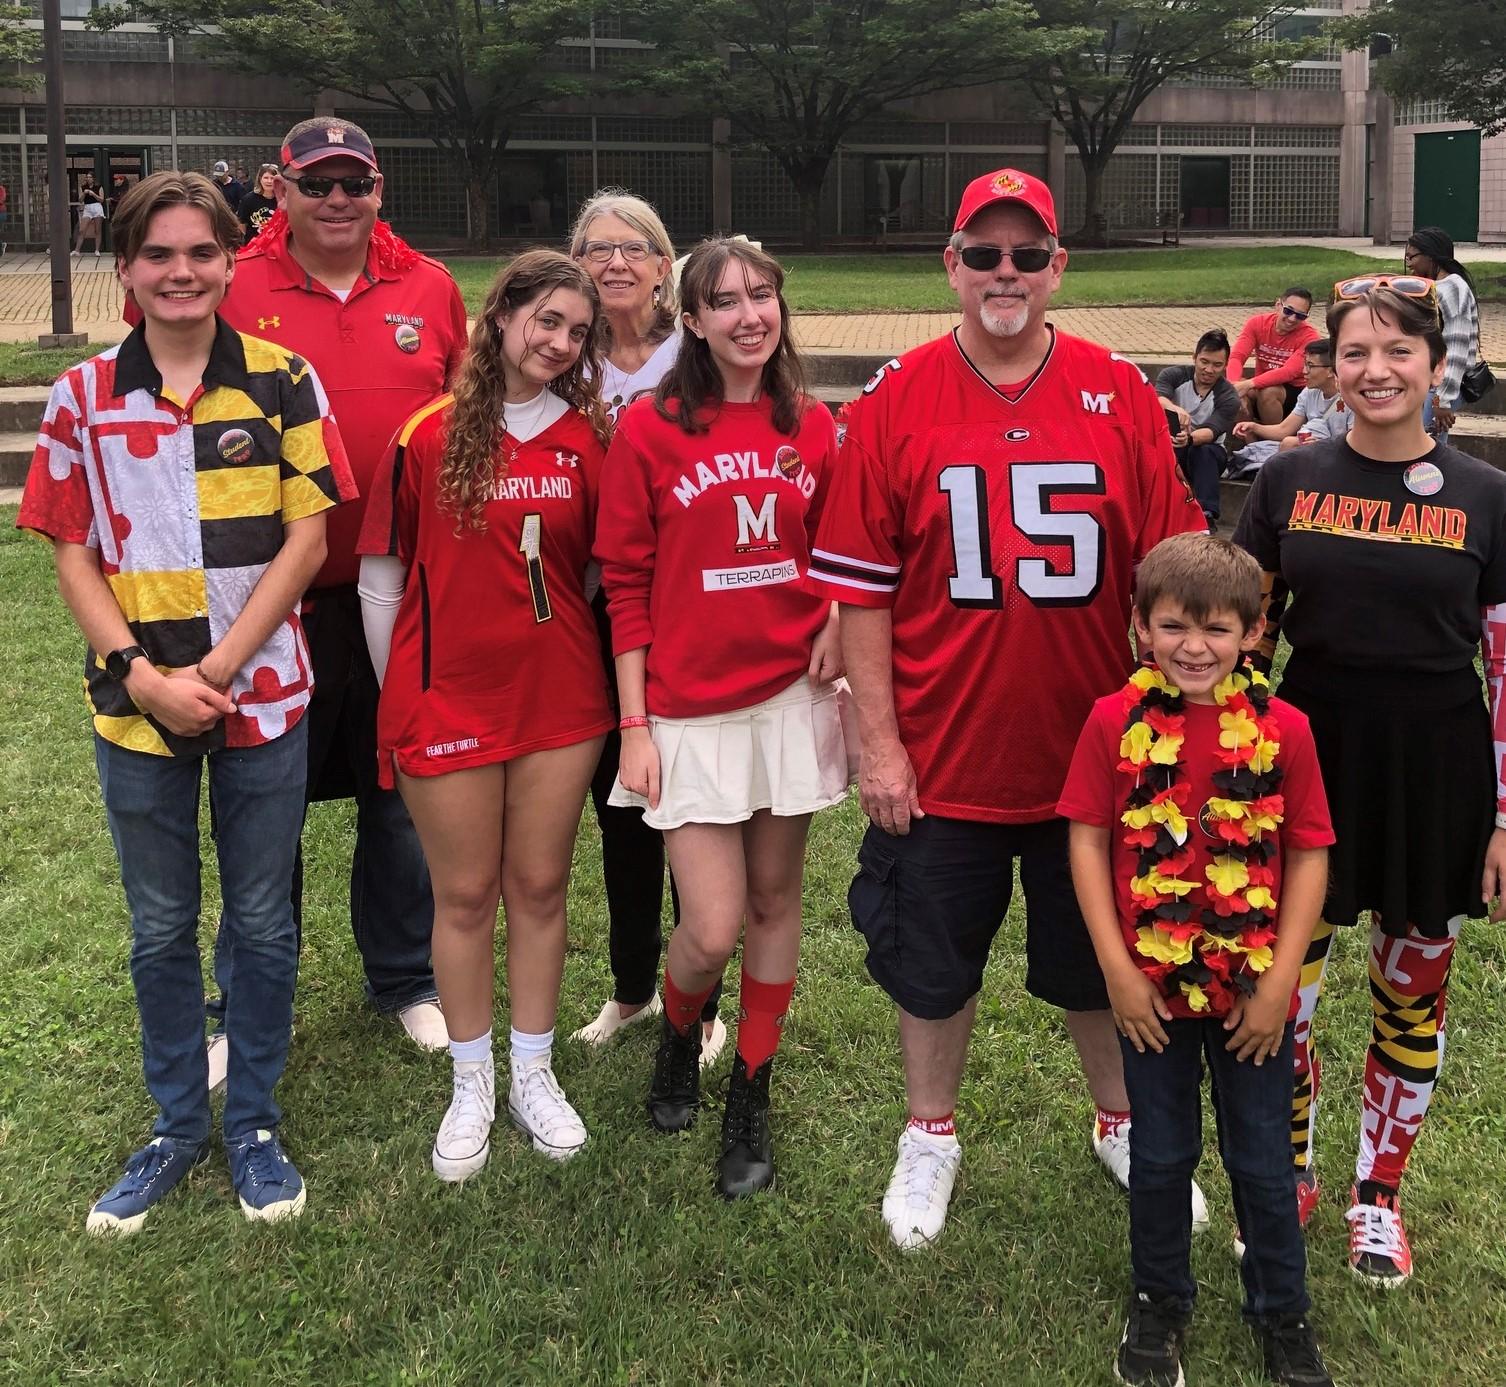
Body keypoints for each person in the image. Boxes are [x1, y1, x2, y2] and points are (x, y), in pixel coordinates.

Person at [805, 167, 1207, 1251]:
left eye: (1028, 254)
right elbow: (862, 594)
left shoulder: (1118, 393)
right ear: (952, 264)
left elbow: (1172, 578)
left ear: (1057, 267)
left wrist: (1174, 733)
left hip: (1094, 760)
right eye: (984, 253)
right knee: (933, 967)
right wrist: (880, 746)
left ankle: (1119, 1118)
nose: (1006, 273)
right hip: (945, 756)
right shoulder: (897, 397)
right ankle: (930, 1131)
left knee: (1102, 958)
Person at [16, 171, 354, 1234]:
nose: (181, 272)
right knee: (160, 927)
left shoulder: (285, 379)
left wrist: (221, 669)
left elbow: (311, 535)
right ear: (127, 270)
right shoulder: (80, 397)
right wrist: (144, 677)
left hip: (265, 700)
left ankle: (251, 1120)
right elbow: (70, 550)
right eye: (158, 255)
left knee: (261, 920)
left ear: (228, 261)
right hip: (135, 711)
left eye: (200, 253)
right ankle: (176, 1123)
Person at [1234, 275, 1506, 1288]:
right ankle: (1289, 1172)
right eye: (1355, 352)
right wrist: (1233, 782)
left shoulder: (1485, 495)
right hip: (1309, 757)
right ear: (1328, 365)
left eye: (1400, 352)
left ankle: (1377, 1197)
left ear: (1438, 367)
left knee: (1410, 995)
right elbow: (1242, 642)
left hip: (1436, 767)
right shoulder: (1289, 480)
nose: (1376, 371)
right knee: (1283, 994)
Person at [213, 115, 470, 1078]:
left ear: (377, 191)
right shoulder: (233, 283)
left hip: (398, 591)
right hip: (270, 592)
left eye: (352, 183)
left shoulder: (430, 287)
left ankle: (404, 977)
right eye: (315, 182)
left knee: (397, 795)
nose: (335, 200)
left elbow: (466, 409)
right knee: (259, 803)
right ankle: (244, 998)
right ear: (277, 189)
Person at [595, 238, 849, 1199]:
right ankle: (678, 1028)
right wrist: (634, 722)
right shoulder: (653, 432)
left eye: (763, 295)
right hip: (688, 709)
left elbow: (840, 552)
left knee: (776, 905)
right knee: (708, 924)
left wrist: (828, 616)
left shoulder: (812, 427)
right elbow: (624, 582)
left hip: (789, 699)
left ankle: (751, 1085)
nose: (749, 314)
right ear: (690, 320)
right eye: (724, 300)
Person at [357, 252, 614, 1179]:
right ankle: (471, 1077)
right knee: (463, 895)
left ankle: (532, 1071)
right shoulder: (427, 434)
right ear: (501, 315)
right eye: (545, 320)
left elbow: (590, 571)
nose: (559, 342)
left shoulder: (590, 438)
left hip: (561, 702)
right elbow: (382, 576)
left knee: (540, 887)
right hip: (446, 700)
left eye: (578, 332)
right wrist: (411, 689)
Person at [1059, 533, 1334, 1387]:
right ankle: (1159, 1301)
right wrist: (1117, 971)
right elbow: (1087, 838)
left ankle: (1283, 1312)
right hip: (1151, 992)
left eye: (1216, 628)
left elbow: (1310, 854)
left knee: (1262, 1155)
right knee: (1163, 1154)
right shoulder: (1115, 722)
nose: (1194, 646)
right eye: (1173, 624)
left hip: (1254, 993)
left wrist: (1281, 980)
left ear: (1254, 632)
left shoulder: (1285, 729)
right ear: (1141, 626)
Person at [565, 188, 727, 1065]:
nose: (616, 262)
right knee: (621, 802)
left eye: (634, 247)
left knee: (697, 799)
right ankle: (632, 987)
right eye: (597, 249)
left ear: (666, 267)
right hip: (593, 603)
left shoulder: (694, 351)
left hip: (692, 604)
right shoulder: (563, 356)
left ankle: (701, 1004)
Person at [1156, 328, 1241, 524]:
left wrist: (1189, 438)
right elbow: (1157, 398)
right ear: (1194, 357)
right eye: (1204, 362)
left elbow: (1213, 430)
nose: (1209, 370)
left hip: (1208, 454)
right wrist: (1174, 409)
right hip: (1171, 445)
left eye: (1217, 365)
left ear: (1226, 365)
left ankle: (1206, 515)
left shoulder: (1228, 396)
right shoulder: (1173, 375)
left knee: (1204, 451)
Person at [1404, 226, 1482, 440]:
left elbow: (1456, 347)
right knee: (1425, 447)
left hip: (1441, 386)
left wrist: (1443, 399)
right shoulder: (1436, 287)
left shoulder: (1452, 288)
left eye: (1412, 257)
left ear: (1430, 255)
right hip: (1430, 382)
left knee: (1423, 448)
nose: (1408, 263)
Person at [1230, 339, 1351, 463]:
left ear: (1331, 371)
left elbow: (1359, 444)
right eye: (1304, 364)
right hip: (1312, 456)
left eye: (1311, 366)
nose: (1304, 371)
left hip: (1339, 459)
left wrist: (1323, 446)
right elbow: (1284, 429)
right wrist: (1254, 427)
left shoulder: (1353, 400)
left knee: (1289, 444)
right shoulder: (1309, 392)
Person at [1228, 289, 1319, 425]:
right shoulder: (1257, 324)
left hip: (1294, 394)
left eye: (1300, 316)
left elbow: (1289, 372)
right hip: (1262, 385)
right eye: (1288, 311)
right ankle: (1250, 443)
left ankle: (1271, 442)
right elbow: (1237, 357)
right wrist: (1234, 386)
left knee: (1268, 392)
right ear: (1278, 305)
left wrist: (1249, 384)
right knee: (1233, 391)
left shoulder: (1310, 337)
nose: (1292, 319)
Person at [237, 164, 280, 246]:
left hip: (277, 246)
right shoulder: (248, 200)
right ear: (260, 179)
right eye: (266, 178)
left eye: (272, 178)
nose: (269, 181)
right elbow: (241, 224)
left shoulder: (283, 200)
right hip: (254, 246)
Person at [74, 175, 106, 255]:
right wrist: (84, 193)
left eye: (90, 177)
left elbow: (101, 199)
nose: (88, 179)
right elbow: (80, 200)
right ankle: (77, 250)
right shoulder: (83, 187)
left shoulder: (99, 187)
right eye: (87, 177)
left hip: (96, 207)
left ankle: (97, 250)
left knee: (97, 230)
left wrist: (94, 194)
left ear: (93, 179)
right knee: (82, 230)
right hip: (87, 208)